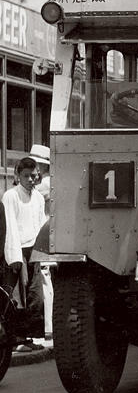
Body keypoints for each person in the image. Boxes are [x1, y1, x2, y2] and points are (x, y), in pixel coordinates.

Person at [2, 157, 48, 351]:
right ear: (17, 176)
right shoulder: (10, 196)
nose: (30, 179)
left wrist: (42, 253)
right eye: (26, 176)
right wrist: (14, 257)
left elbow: (40, 225)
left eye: (33, 176)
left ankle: (29, 337)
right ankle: (16, 339)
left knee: (36, 295)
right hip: (16, 249)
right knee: (17, 297)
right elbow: (10, 226)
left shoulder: (37, 196)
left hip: (33, 250)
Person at [29, 144, 54, 341]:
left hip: (42, 234)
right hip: (45, 234)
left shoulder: (45, 183)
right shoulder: (46, 181)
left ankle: (48, 327)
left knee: (44, 282)